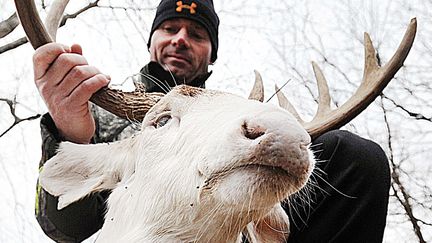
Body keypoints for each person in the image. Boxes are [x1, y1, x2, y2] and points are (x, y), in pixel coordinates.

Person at [33, 0, 390, 242]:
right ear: (153, 40)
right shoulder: (95, 114)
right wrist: (70, 131)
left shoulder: (240, 116)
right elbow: (64, 229)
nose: (181, 39)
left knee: (353, 155)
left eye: (197, 34)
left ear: (211, 52)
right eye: (170, 27)